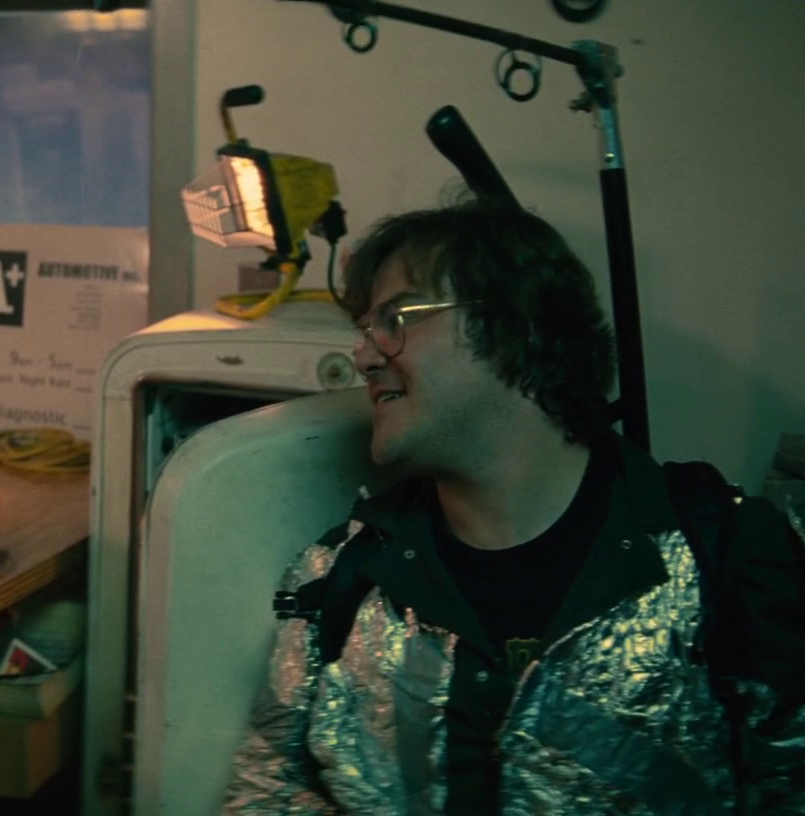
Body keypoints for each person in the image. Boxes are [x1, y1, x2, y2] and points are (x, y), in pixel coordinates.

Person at [223, 201, 805, 813]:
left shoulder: (721, 553)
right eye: (365, 329)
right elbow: (264, 795)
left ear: (518, 327)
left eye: (396, 319)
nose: (364, 357)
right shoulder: (338, 577)